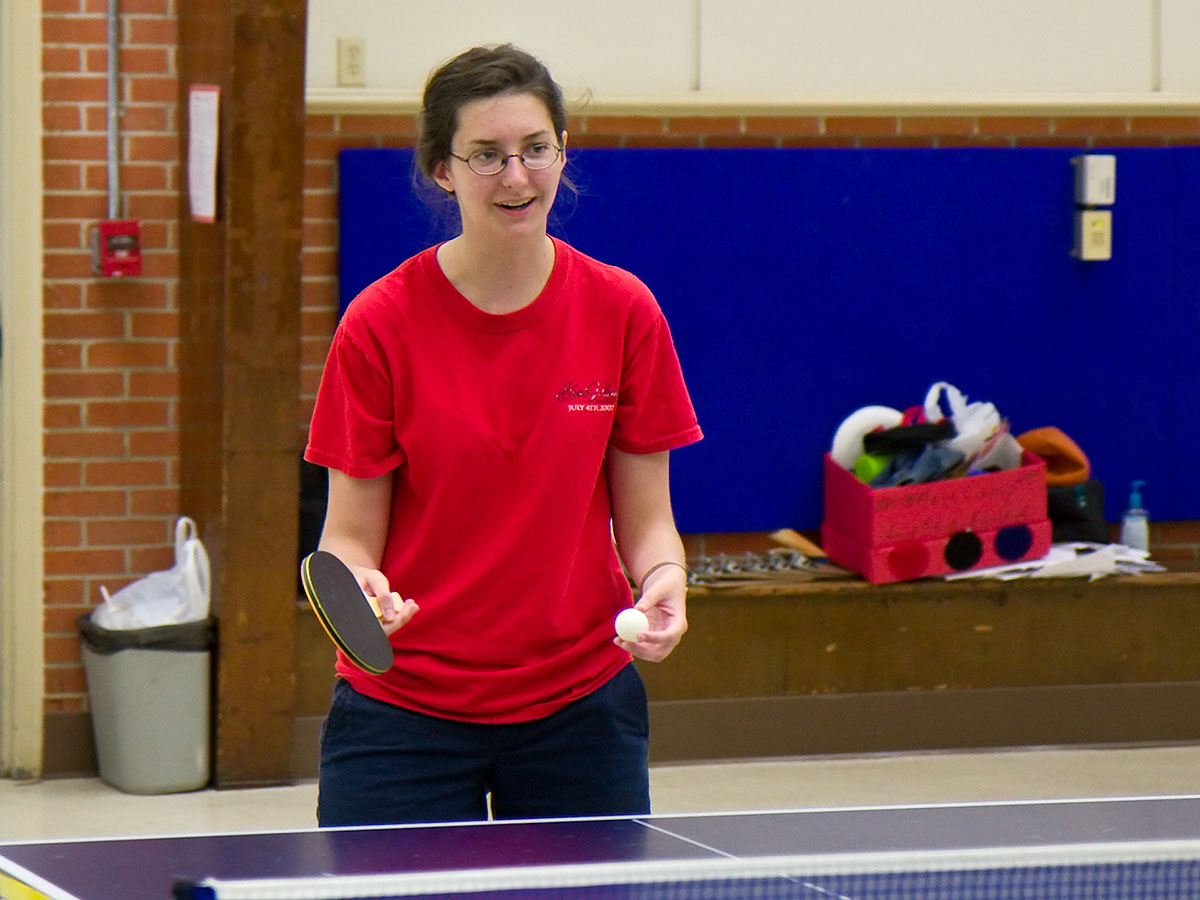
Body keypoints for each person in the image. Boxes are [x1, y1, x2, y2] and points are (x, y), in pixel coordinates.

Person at [304, 43, 702, 827]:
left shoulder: (625, 312)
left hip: (580, 707)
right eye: (486, 155)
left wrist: (665, 578)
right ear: (442, 170)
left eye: (535, 149)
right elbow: (347, 540)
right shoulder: (379, 325)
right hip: (403, 712)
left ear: (562, 154)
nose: (516, 177)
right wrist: (365, 591)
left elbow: (648, 518)